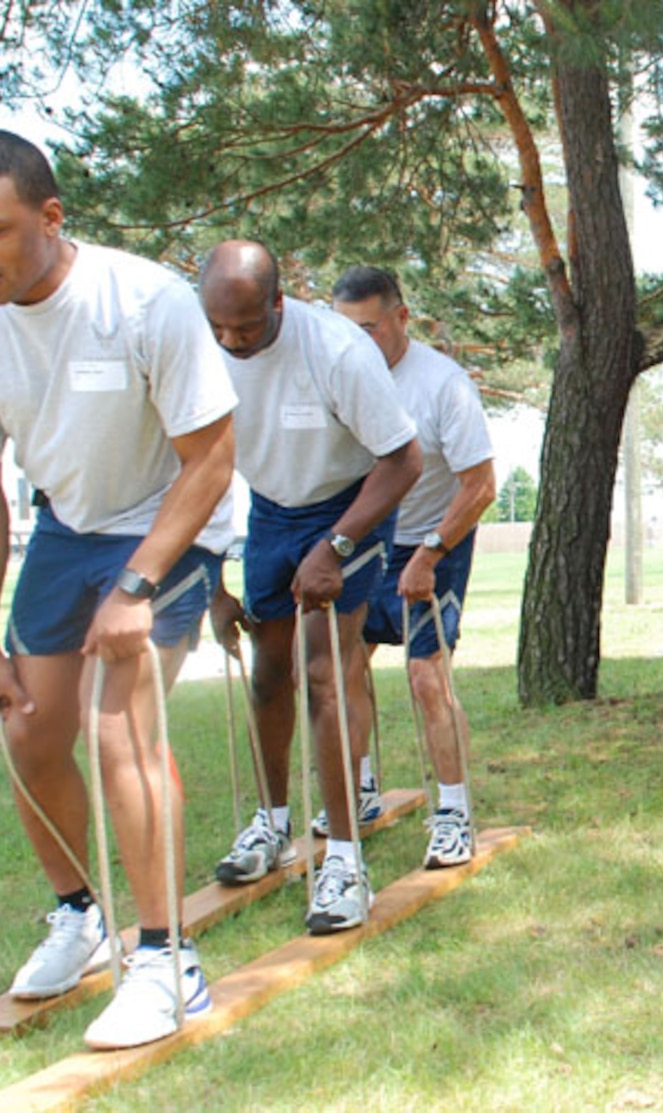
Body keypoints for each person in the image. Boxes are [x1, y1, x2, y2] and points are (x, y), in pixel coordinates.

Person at [0, 130, 234, 1049]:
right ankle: (80, 916)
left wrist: (137, 585)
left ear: (51, 219)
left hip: (171, 514)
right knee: (27, 729)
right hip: (68, 527)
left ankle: (167, 959)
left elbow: (212, 458)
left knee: (116, 727)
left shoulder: (142, 300)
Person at [200, 241, 422, 935]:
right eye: (220, 328)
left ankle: (345, 860)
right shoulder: (197, 346)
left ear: (280, 302)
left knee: (323, 672)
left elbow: (404, 460)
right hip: (271, 508)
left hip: (348, 502)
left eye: (247, 327)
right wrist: (212, 578)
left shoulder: (337, 351)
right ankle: (270, 824)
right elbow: (193, 463)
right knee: (269, 673)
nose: (233, 342)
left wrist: (338, 546)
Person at [332, 265, 497, 870]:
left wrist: (429, 552)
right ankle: (362, 789)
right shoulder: (338, 374)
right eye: (344, 330)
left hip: (437, 537)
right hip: (366, 539)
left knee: (427, 677)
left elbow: (480, 487)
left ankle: (452, 810)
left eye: (369, 329)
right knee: (344, 664)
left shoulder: (444, 385)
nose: (356, 343)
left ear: (401, 318)